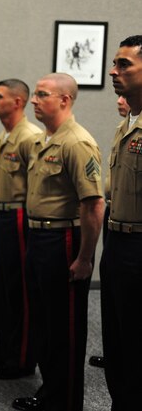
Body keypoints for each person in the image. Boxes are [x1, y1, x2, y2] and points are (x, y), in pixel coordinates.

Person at [12, 73, 104, 411]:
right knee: (44, 324)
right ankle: (50, 394)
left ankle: (65, 403)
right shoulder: (42, 140)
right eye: (34, 94)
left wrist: (85, 258)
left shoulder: (77, 142)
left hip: (63, 239)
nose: (34, 100)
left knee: (64, 330)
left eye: (42, 95)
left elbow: (93, 204)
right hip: (39, 237)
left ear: (64, 100)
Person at [0, 79, 40, 380]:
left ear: (17, 102)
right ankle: (3, 350)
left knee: (20, 291)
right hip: (1, 216)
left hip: (19, 218)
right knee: (2, 288)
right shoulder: (7, 135)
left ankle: (22, 360)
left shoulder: (30, 137)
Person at [100, 35, 142, 410]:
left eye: (124, 64)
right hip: (116, 243)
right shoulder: (129, 122)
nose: (114, 71)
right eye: (114, 63)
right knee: (116, 345)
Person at [88, 95, 130, 370]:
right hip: (116, 220)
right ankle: (117, 353)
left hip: (132, 228)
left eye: (124, 96)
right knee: (115, 297)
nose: (118, 99)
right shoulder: (123, 129)